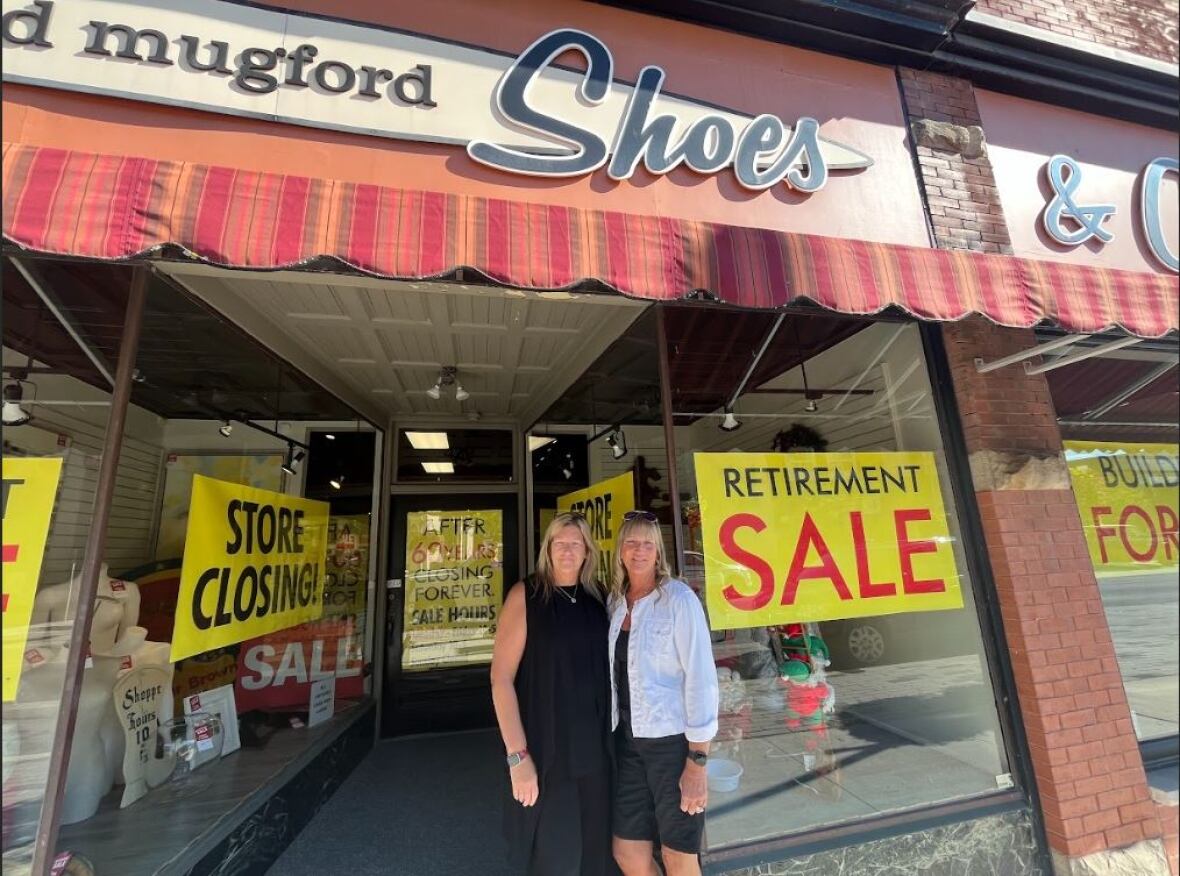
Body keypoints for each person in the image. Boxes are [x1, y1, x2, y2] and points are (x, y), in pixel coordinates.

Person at [491, 512, 615, 876]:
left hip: (596, 753)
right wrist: (517, 758)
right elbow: (500, 679)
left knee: (596, 857)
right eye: (560, 542)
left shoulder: (598, 597)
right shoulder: (526, 596)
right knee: (555, 859)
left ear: (588, 550)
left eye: (576, 543)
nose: (567, 550)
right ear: (547, 548)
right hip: (547, 753)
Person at [608, 511, 719, 876]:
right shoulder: (615, 603)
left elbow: (702, 680)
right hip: (628, 743)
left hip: (672, 747)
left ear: (658, 551)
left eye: (647, 544)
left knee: (678, 856)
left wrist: (697, 762)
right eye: (631, 542)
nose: (639, 550)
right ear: (620, 550)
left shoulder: (678, 600)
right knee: (627, 851)